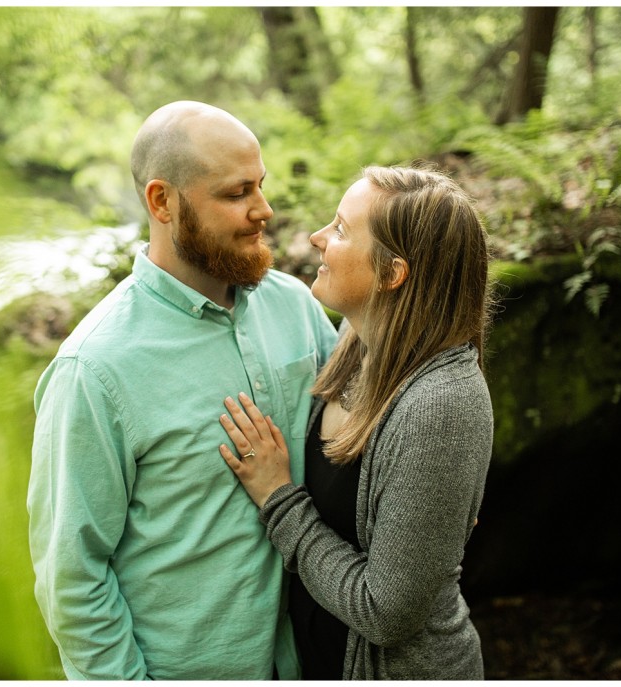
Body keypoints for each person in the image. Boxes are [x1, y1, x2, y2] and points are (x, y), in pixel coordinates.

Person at [27, 101, 339, 680]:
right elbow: (72, 574)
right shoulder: (94, 368)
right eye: (236, 192)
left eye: (261, 186)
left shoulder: (295, 307)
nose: (263, 209)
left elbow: (362, 427)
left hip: (311, 662)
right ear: (162, 201)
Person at [218, 164, 494, 680]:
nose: (317, 238)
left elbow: (385, 612)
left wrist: (279, 500)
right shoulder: (354, 340)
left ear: (393, 274)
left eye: (341, 230)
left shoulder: (441, 404)